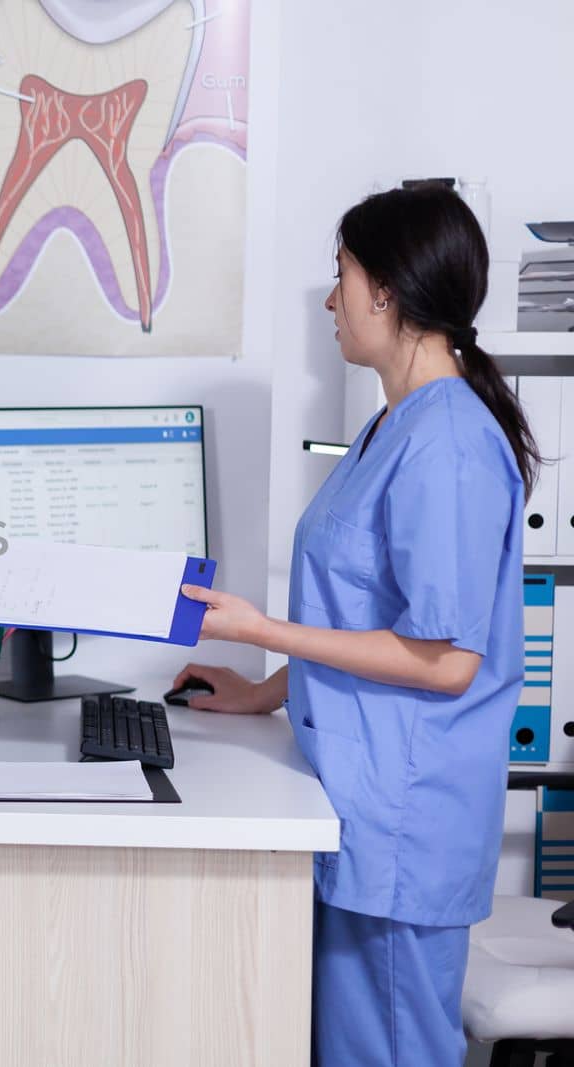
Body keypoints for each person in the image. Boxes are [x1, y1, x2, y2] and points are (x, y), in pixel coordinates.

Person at [171, 186, 534, 1066]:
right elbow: (371, 612)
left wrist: (266, 631)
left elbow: (445, 660)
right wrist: (262, 692)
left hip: (405, 821)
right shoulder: (394, 424)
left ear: (388, 291)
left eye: (341, 277)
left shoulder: (446, 441)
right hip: (362, 802)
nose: (332, 300)